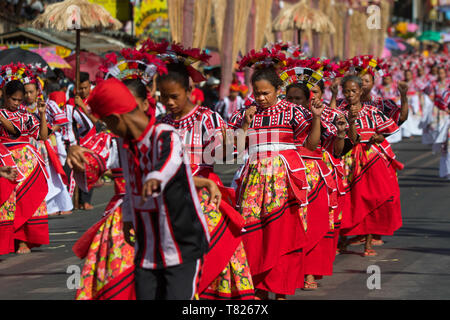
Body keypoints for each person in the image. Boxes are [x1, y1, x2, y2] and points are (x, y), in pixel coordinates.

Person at [85, 77, 210, 300]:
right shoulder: (126, 146)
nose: (109, 130)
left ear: (114, 118)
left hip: (182, 246)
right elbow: (131, 187)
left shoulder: (165, 134)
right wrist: (127, 218)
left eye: (107, 123)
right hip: (148, 248)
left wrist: (155, 177)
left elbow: (169, 160)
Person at [228, 49, 330, 299]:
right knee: (254, 233)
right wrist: (244, 125)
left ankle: (280, 290)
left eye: (266, 93)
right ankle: (259, 289)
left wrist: (316, 118)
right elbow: (235, 150)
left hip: (283, 180)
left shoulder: (294, 111)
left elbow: (310, 146)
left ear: (277, 90)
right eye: (257, 93)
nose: (261, 98)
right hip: (253, 179)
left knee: (280, 233)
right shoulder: (245, 113)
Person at [157, 57, 254, 299]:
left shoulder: (206, 118)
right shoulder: (161, 122)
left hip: (203, 194)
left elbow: (225, 155)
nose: (168, 102)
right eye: (163, 96)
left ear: (189, 90)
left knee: (214, 252)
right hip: (168, 197)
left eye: (174, 96)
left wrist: (239, 134)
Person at [337, 75, 403, 256]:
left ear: (361, 91)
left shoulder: (372, 111)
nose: (350, 95)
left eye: (353, 91)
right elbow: (352, 138)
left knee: (370, 200)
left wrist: (379, 137)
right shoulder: (338, 112)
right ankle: (342, 241)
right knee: (347, 200)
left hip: (372, 159)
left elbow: (389, 130)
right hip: (348, 160)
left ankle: (368, 243)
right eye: (347, 91)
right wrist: (350, 121)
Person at [0, 77, 49, 255]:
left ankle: (23, 241)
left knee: (26, 201)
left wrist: (42, 114)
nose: (17, 103)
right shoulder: (1, 114)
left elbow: (42, 137)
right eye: (13, 99)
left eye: (20, 100)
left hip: (28, 162)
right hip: (5, 160)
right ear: (5, 96)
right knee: (8, 202)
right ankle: (9, 241)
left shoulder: (27, 115)